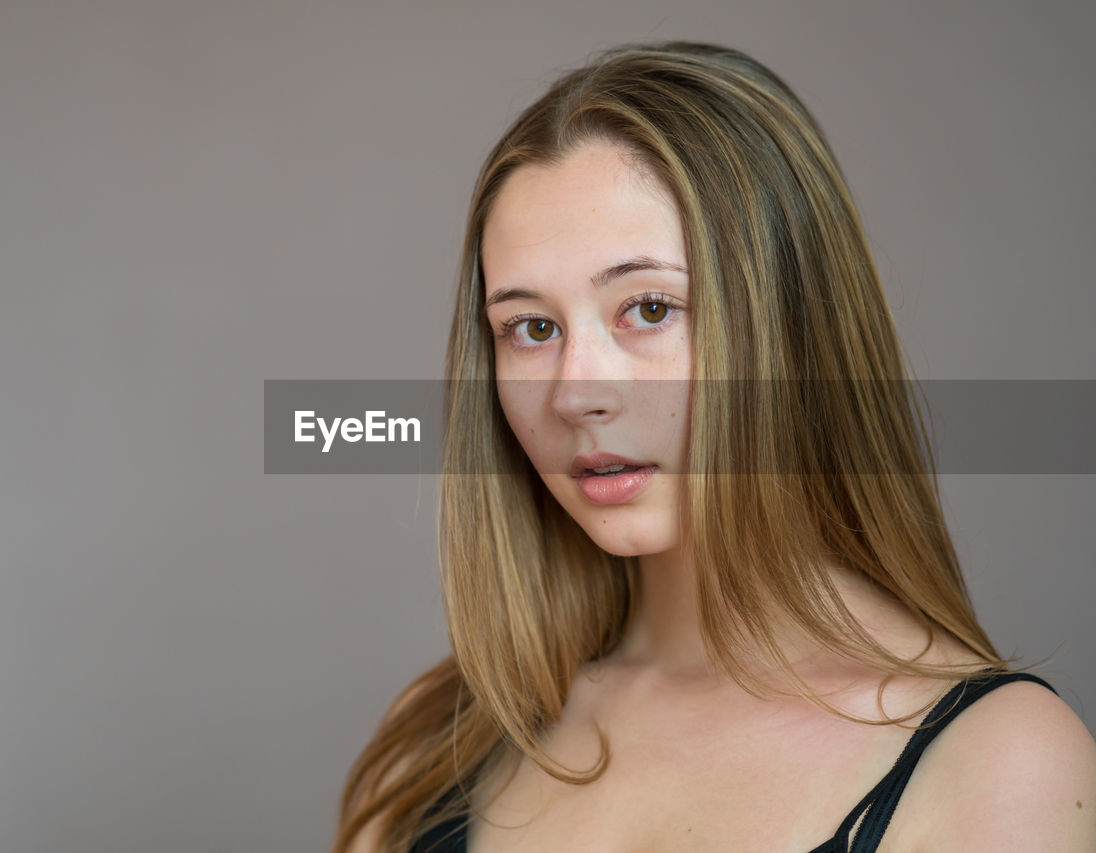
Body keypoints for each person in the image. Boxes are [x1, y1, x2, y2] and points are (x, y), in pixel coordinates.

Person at [332, 41, 1096, 852]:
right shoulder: (429, 743)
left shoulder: (1003, 765)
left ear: (796, 332)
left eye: (650, 308)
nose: (575, 391)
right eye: (531, 327)